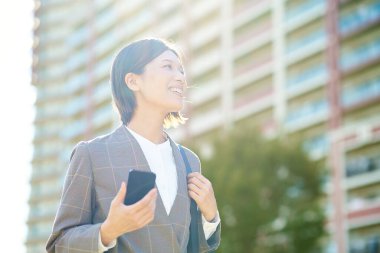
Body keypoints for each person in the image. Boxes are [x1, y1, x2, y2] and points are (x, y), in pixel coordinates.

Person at [46, 38, 221, 253]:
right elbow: (59, 245)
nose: (181, 78)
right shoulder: (92, 154)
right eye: (168, 67)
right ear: (132, 81)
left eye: (181, 70)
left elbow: (194, 247)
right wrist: (108, 231)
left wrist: (211, 217)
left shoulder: (189, 161)